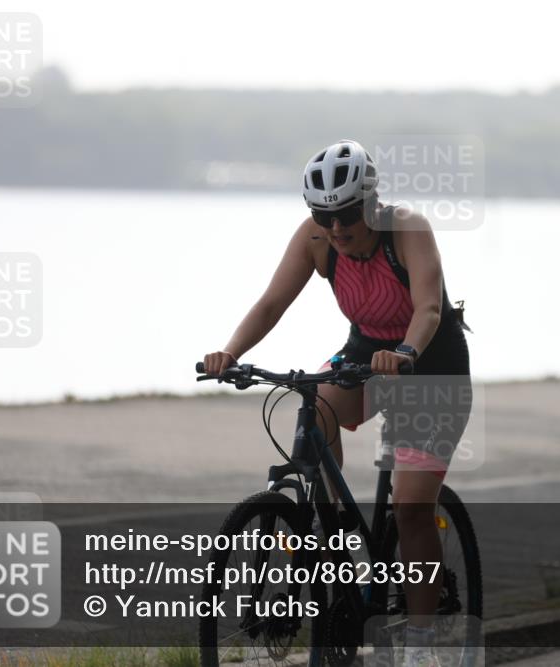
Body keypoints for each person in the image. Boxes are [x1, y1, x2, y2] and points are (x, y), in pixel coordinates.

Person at [203, 139, 471, 667]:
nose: (336, 228)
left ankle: (420, 644)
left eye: (347, 214)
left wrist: (406, 352)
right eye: (323, 215)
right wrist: (231, 353)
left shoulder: (407, 229)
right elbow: (272, 302)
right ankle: (336, 531)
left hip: (430, 364)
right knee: (314, 407)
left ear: (370, 202)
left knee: (411, 506)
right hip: (365, 353)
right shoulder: (316, 238)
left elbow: (429, 308)